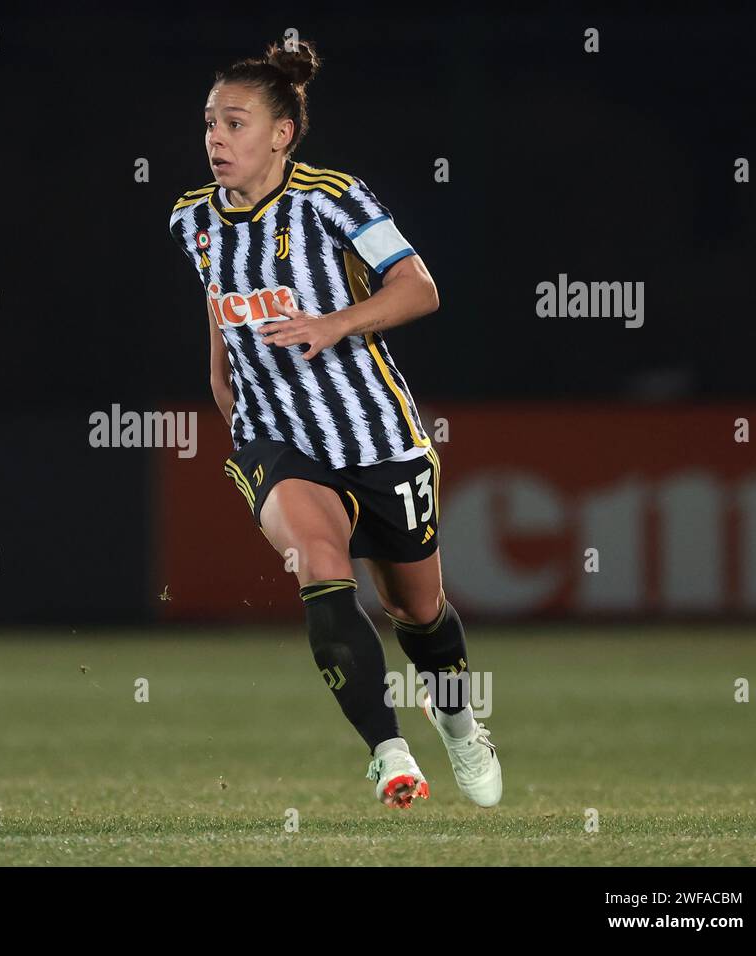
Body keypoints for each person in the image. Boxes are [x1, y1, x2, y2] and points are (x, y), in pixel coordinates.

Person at [167, 39, 502, 809]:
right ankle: (388, 754)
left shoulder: (331, 197)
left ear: (281, 134)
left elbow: (419, 289)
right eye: (210, 123)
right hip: (277, 441)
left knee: (417, 612)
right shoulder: (193, 221)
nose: (216, 139)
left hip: (377, 437)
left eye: (235, 123)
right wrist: (241, 423)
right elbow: (221, 332)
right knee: (320, 562)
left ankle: (456, 722)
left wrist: (336, 324)